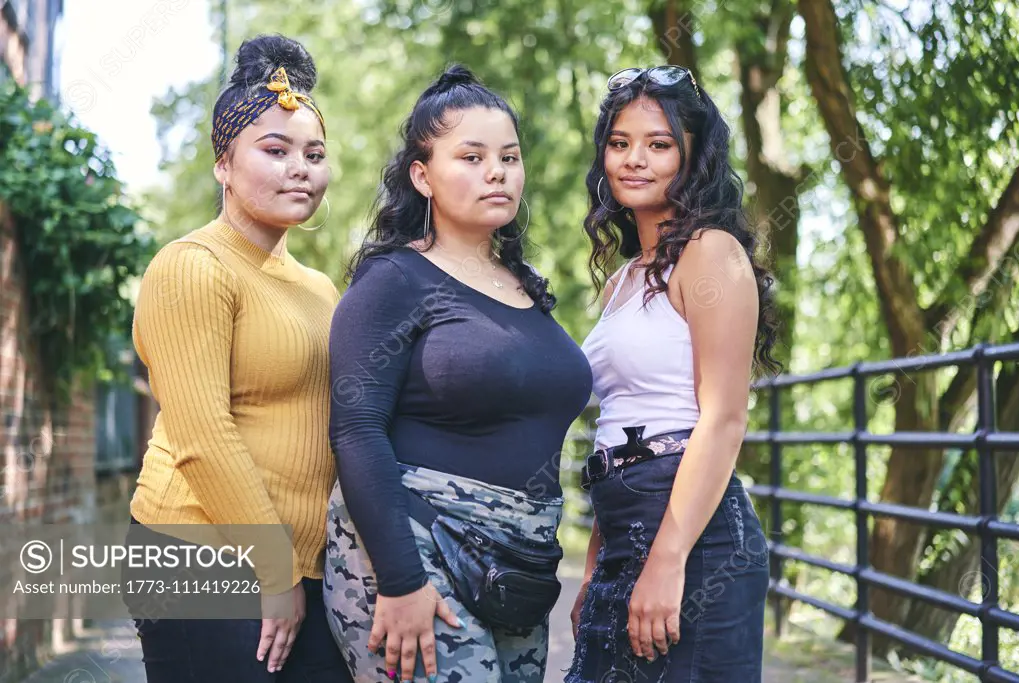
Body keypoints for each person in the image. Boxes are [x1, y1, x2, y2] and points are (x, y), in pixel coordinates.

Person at [324, 65, 593, 683]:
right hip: (414, 554)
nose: (496, 171)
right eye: (470, 156)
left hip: (517, 566)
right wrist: (399, 580)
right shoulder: (393, 281)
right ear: (422, 176)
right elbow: (356, 430)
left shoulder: (527, 290)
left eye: (508, 156)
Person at [127, 34, 352, 683]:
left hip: (300, 565)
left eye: (314, 153)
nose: (300, 168)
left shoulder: (319, 288)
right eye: (275, 151)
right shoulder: (191, 267)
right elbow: (201, 435)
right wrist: (273, 569)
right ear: (223, 164)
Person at [565, 66, 781, 683]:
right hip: (622, 532)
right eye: (619, 142)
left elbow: (723, 416)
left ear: (693, 158)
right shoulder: (623, 279)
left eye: (659, 144)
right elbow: (616, 425)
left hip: (697, 542)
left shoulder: (712, 252)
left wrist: (667, 559)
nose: (635, 159)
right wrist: (595, 569)